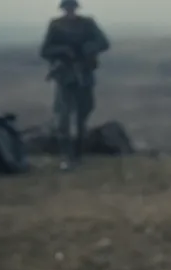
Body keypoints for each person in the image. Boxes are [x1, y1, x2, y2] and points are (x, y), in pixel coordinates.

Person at [39, 0, 110, 170]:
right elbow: (44, 51)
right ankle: (67, 156)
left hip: (84, 75)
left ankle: (78, 154)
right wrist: (62, 51)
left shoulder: (87, 24)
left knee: (83, 114)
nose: (69, 11)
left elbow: (104, 43)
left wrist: (89, 48)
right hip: (65, 77)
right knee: (63, 118)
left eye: (72, 8)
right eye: (67, 9)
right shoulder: (55, 26)